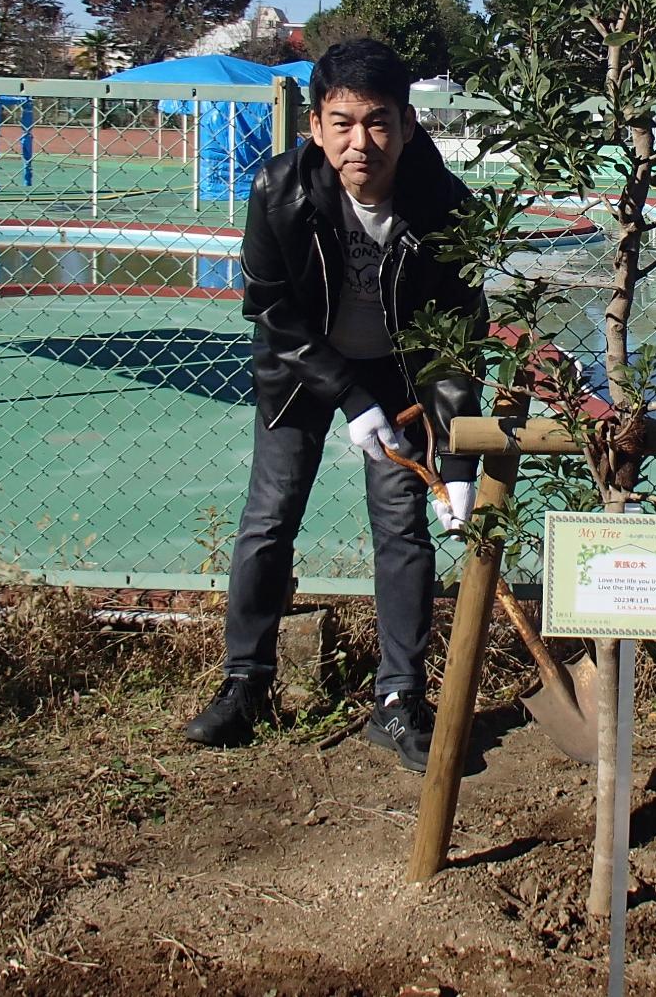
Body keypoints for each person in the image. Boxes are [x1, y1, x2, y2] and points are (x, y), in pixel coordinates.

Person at [183, 40, 486, 769]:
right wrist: (347, 395)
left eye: (378, 122)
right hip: (301, 377)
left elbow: (456, 333)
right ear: (315, 126)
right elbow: (271, 309)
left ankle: (399, 699)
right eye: (342, 123)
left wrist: (460, 453)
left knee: (402, 530)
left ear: (409, 125)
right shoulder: (278, 191)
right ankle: (245, 683)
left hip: (400, 381)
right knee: (269, 517)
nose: (361, 142)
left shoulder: (445, 205)